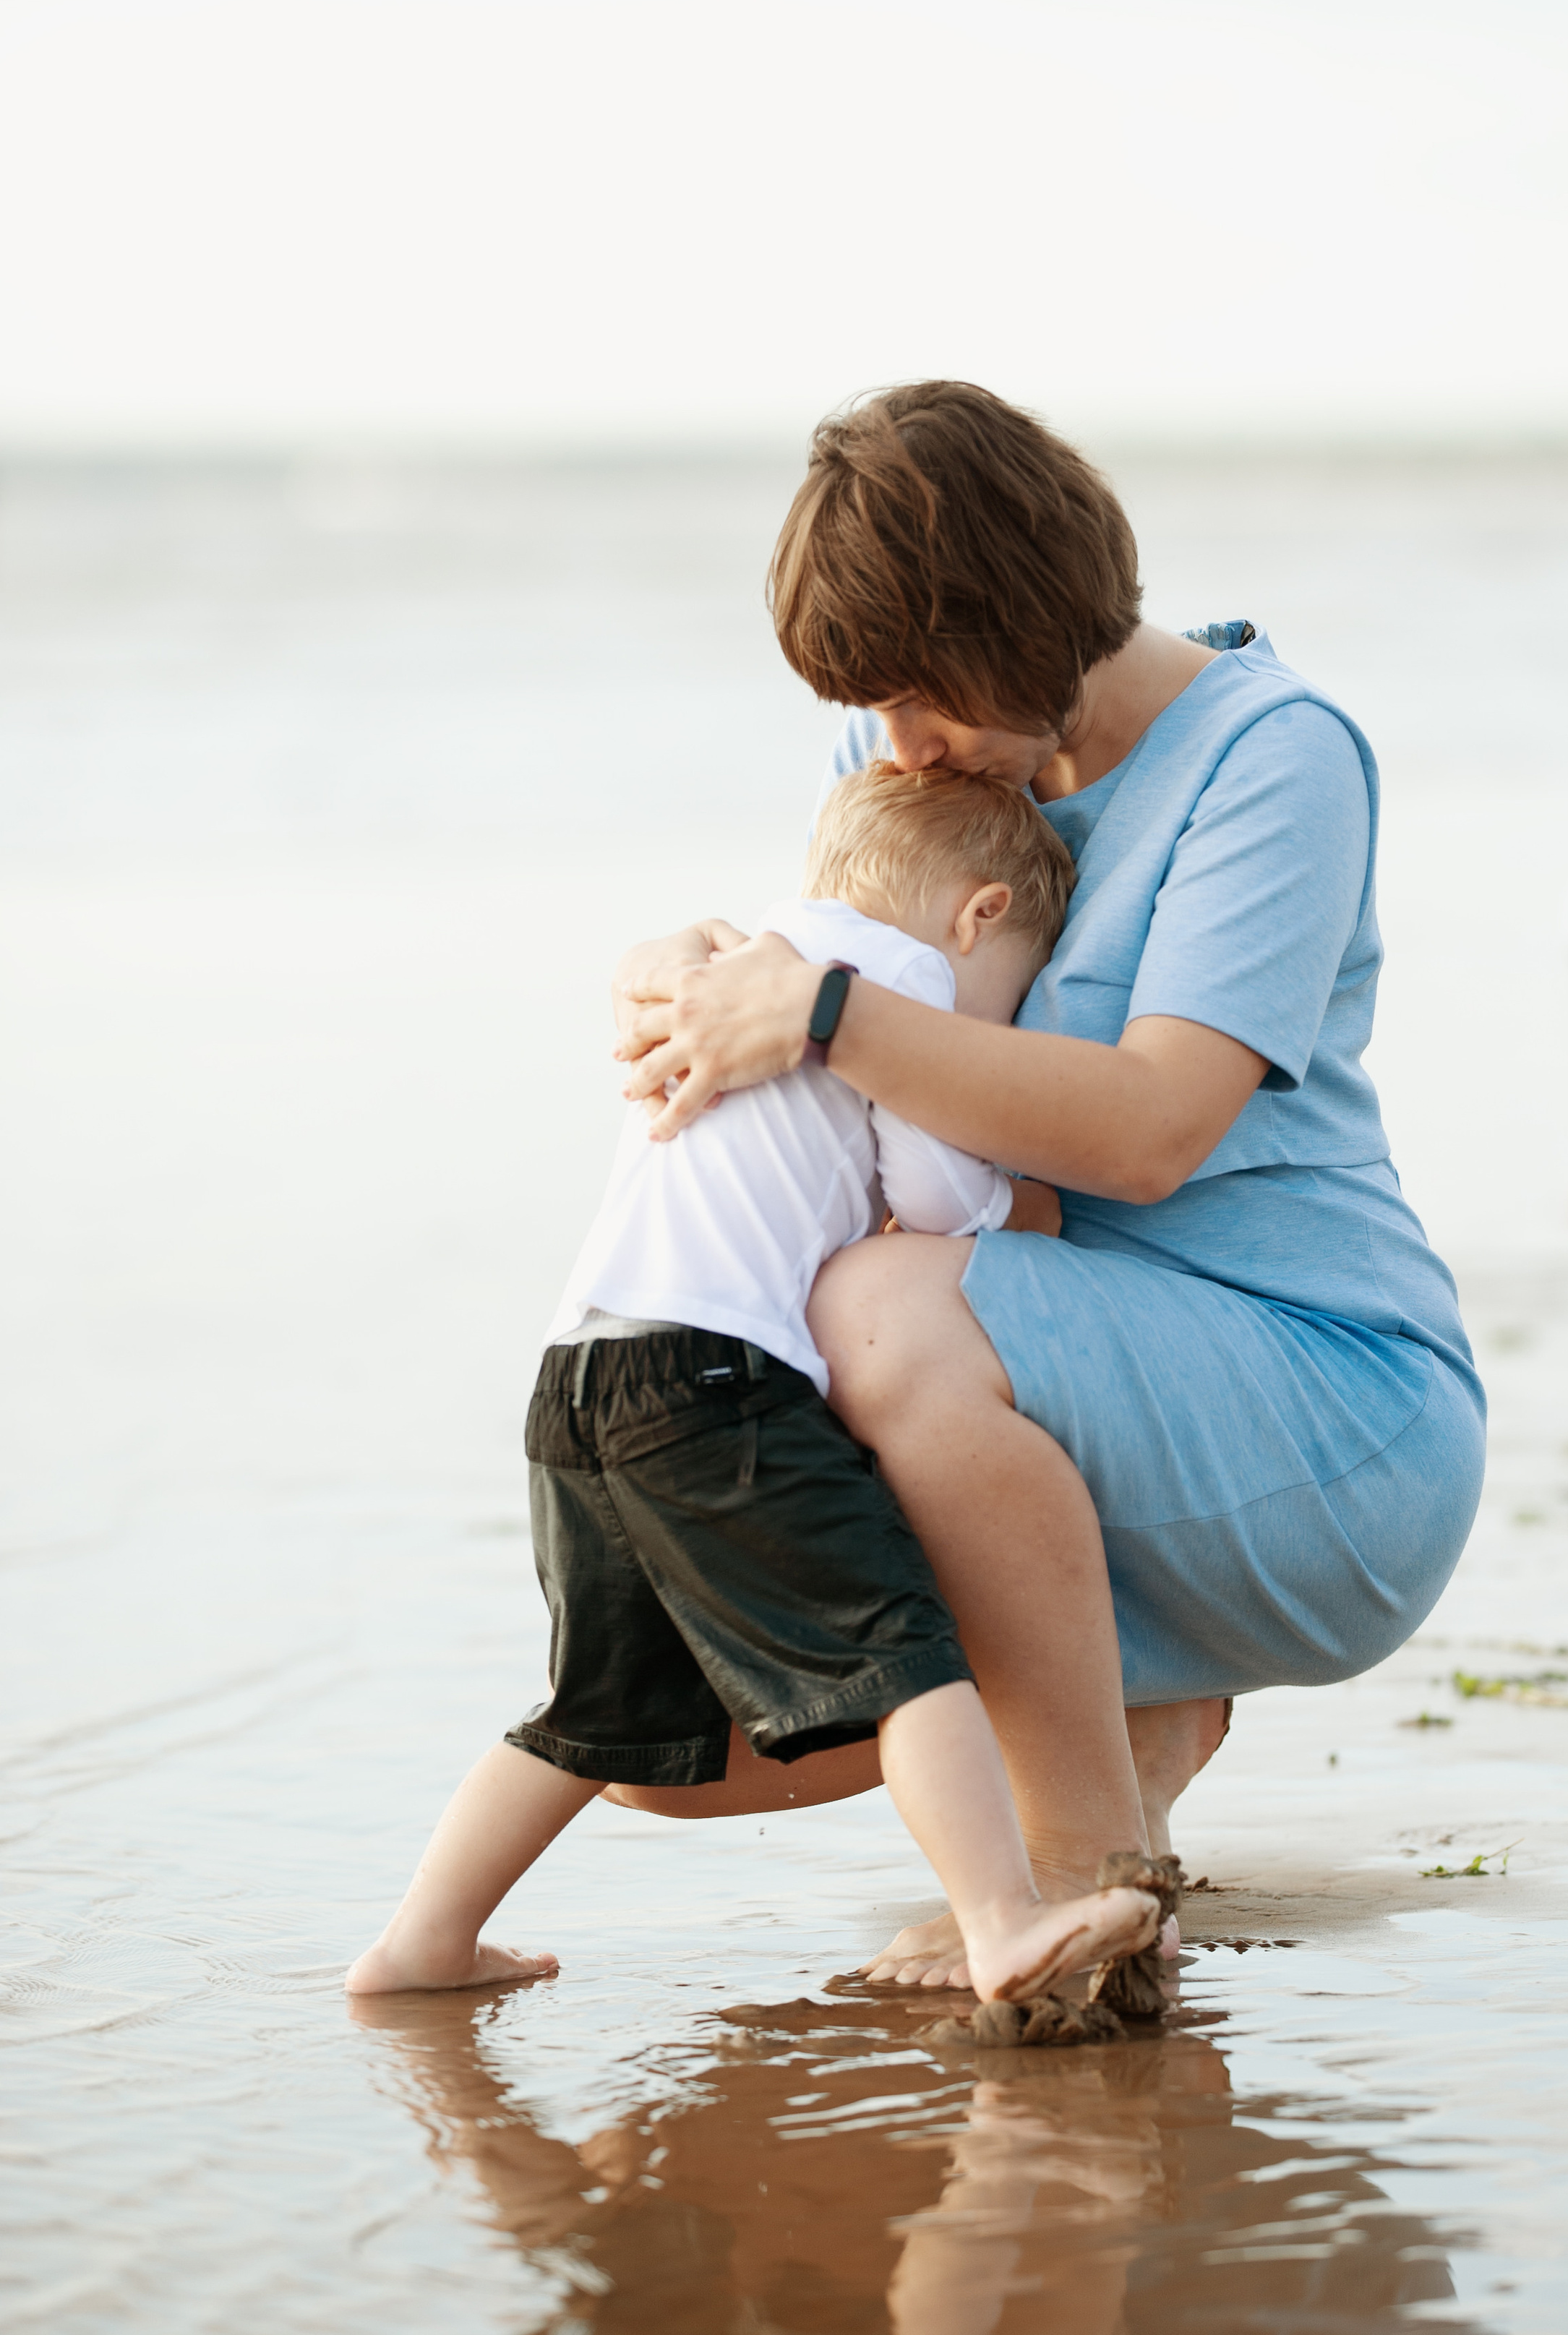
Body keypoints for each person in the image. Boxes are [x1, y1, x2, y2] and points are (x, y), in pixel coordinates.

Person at [611, 379, 1487, 1989]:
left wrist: (822, 1011)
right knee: (639, 1724)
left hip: (1326, 1404)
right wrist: (700, 967)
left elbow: (1149, 1127)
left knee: (877, 1305)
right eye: (868, 713)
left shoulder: (1272, 759)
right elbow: (846, 1006)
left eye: (914, 697)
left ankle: (1080, 1865)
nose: (896, 751)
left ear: (1024, 620)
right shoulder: (937, 754)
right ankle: (1135, 1712)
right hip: (1057, 1352)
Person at [347, 760, 1169, 2003]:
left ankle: (420, 1941)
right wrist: (1023, 1195)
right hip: (713, 1378)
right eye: (1013, 996)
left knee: (595, 1706)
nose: (991, 1025)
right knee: (903, 1647)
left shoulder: (733, 966)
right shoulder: (894, 986)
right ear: (980, 915)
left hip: (579, 1373)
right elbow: (943, 1195)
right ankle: (1001, 1916)